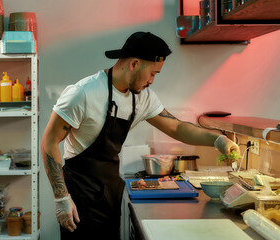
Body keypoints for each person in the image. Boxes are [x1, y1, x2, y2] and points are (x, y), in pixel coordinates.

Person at [40, 31, 240, 239]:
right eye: (152, 73)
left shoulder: (142, 98)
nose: (152, 81)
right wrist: (61, 198)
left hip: (110, 194)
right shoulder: (83, 93)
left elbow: (176, 128)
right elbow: (49, 141)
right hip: (80, 198)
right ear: (134, 64)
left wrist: (218, 140)